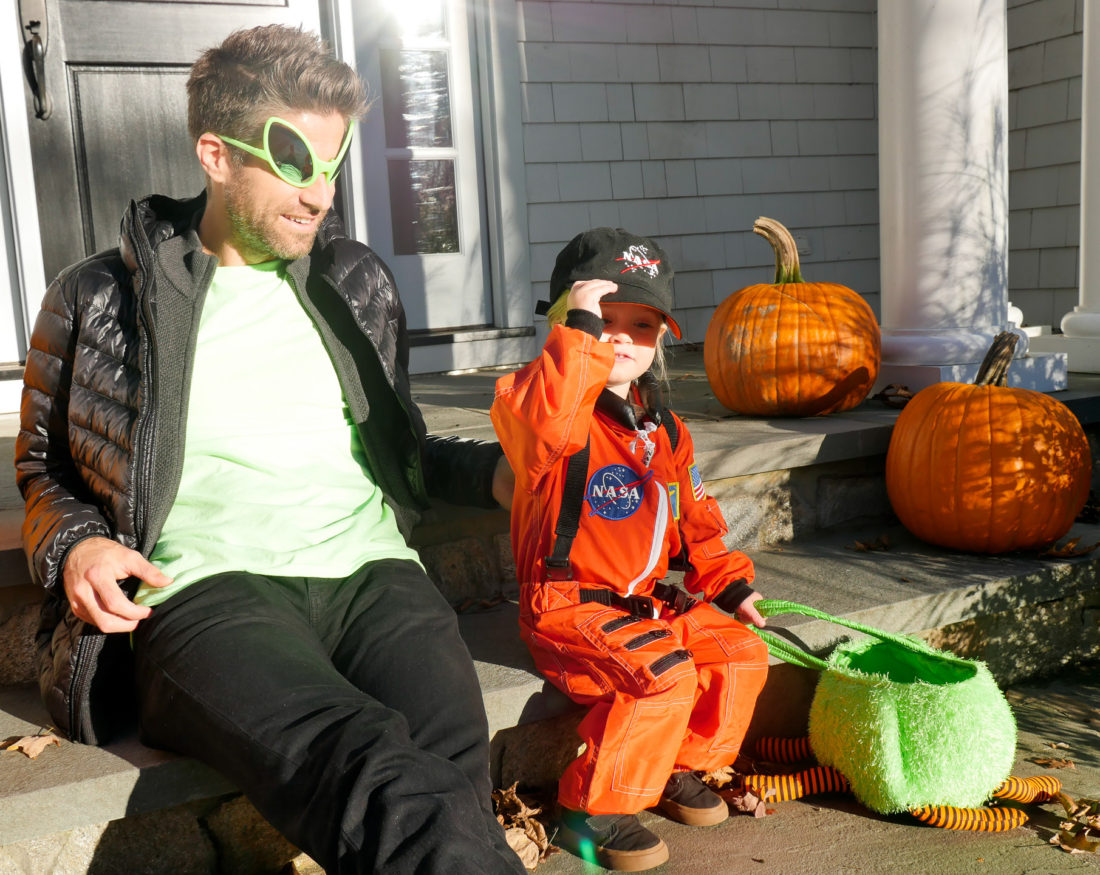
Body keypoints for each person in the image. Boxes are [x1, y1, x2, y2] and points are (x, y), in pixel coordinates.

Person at [15, 24, 524, 875]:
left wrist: (503, 475)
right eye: (293, 163)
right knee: (365, 760)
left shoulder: (353, 281)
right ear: (216, 154)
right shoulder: (100, 295)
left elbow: (400, 444)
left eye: (332, 164)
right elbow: (41, 464)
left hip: (372, 571)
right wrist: (77, 543)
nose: (320, 193)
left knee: (450, 764)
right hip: (207, 587)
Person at [490, 228, 770, 871]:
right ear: (563, 323)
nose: (619, 337)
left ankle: (674, 764)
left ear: (661, 338)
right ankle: (588, 810)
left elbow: (695, 520)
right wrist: (577, 336)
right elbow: (548, 422)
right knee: (662, 675)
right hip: (566, 607)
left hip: (641, 603)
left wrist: (729, 581)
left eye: (639, 325)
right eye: (602, 320)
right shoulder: (537, 407)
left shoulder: (664, 428)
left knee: (736, 653)